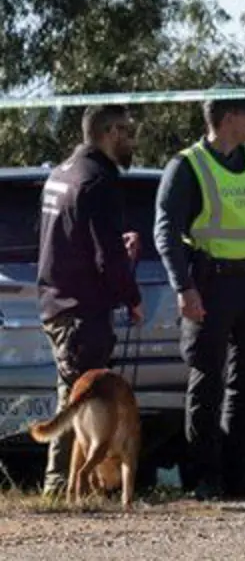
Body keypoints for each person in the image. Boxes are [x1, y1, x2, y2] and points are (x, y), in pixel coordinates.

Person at [154, 90, 245, 501]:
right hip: (209, 282)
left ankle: (237, 475)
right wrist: (184, 287)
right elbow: (166, 233)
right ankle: (205, 477)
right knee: (207, 381)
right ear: (230, 117)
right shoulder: (186, 167)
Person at [36, 105, 144, 497]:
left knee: (72, 392)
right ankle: (60, 486)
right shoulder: (98, 181)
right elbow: (106, 258)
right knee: (79, 397)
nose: (132, 141)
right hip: (83, 309)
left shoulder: (60, 174)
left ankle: (72, 485)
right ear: (110, 132)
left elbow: (71, 239)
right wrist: (131, 296)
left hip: (55, 302)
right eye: (127, 133)